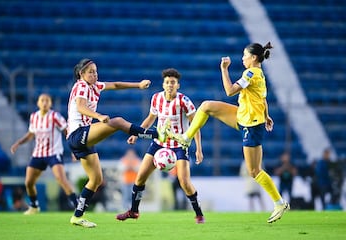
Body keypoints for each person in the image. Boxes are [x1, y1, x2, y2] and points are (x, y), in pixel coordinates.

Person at [169, 42, 290, 223]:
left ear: (254, 58)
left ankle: (279, 203)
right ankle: (186, 138)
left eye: (245, 55)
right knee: (207, 106)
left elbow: (229, 91)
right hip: (243, 117)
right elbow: (262, 98)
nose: (242, 58)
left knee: (254, 171)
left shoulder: (251, 73)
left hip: (251, 126)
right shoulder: (259, 75)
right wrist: (267, 115)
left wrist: (224, 69)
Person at [67, 58, 167, 228]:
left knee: (96, 179)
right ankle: (156, 134)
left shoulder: (95, 85)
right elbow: (81, 107)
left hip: (82, 137)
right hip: (78, 134)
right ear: (81, 74)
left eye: (95, 71)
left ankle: (77, 216)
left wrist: (138, 85)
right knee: (118, 122)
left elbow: (116, 85)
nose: (94, 74)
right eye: (90, 71)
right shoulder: (81, 86)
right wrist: (98, 116)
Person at [116, 68, 205, 224]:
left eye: (173, 82)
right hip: (159, 144)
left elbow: (195, 125)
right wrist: (136, 134)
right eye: (167, 82)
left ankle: (198, 213)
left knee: (184, 182)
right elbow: (151, 118)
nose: (170, 85)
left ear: (178, 85)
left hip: (179, 146)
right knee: (140, 177)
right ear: (163, 84)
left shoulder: (184, 101)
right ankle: (133, 211)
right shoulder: (156, 98)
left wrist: (198, 148)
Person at [10, 93, 78, 215]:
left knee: (61, 179)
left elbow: (67, 131)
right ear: (38, 103)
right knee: (29, 182)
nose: (45, 102)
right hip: (38, 153)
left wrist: (74, 149)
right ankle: (34, 206)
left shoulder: (55, 116)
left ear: (50, 103)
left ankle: (77, 206)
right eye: (42, 100)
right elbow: (31, 134)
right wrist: (19, 143)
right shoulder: (34, 117)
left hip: (53, 152)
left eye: (47, 100)